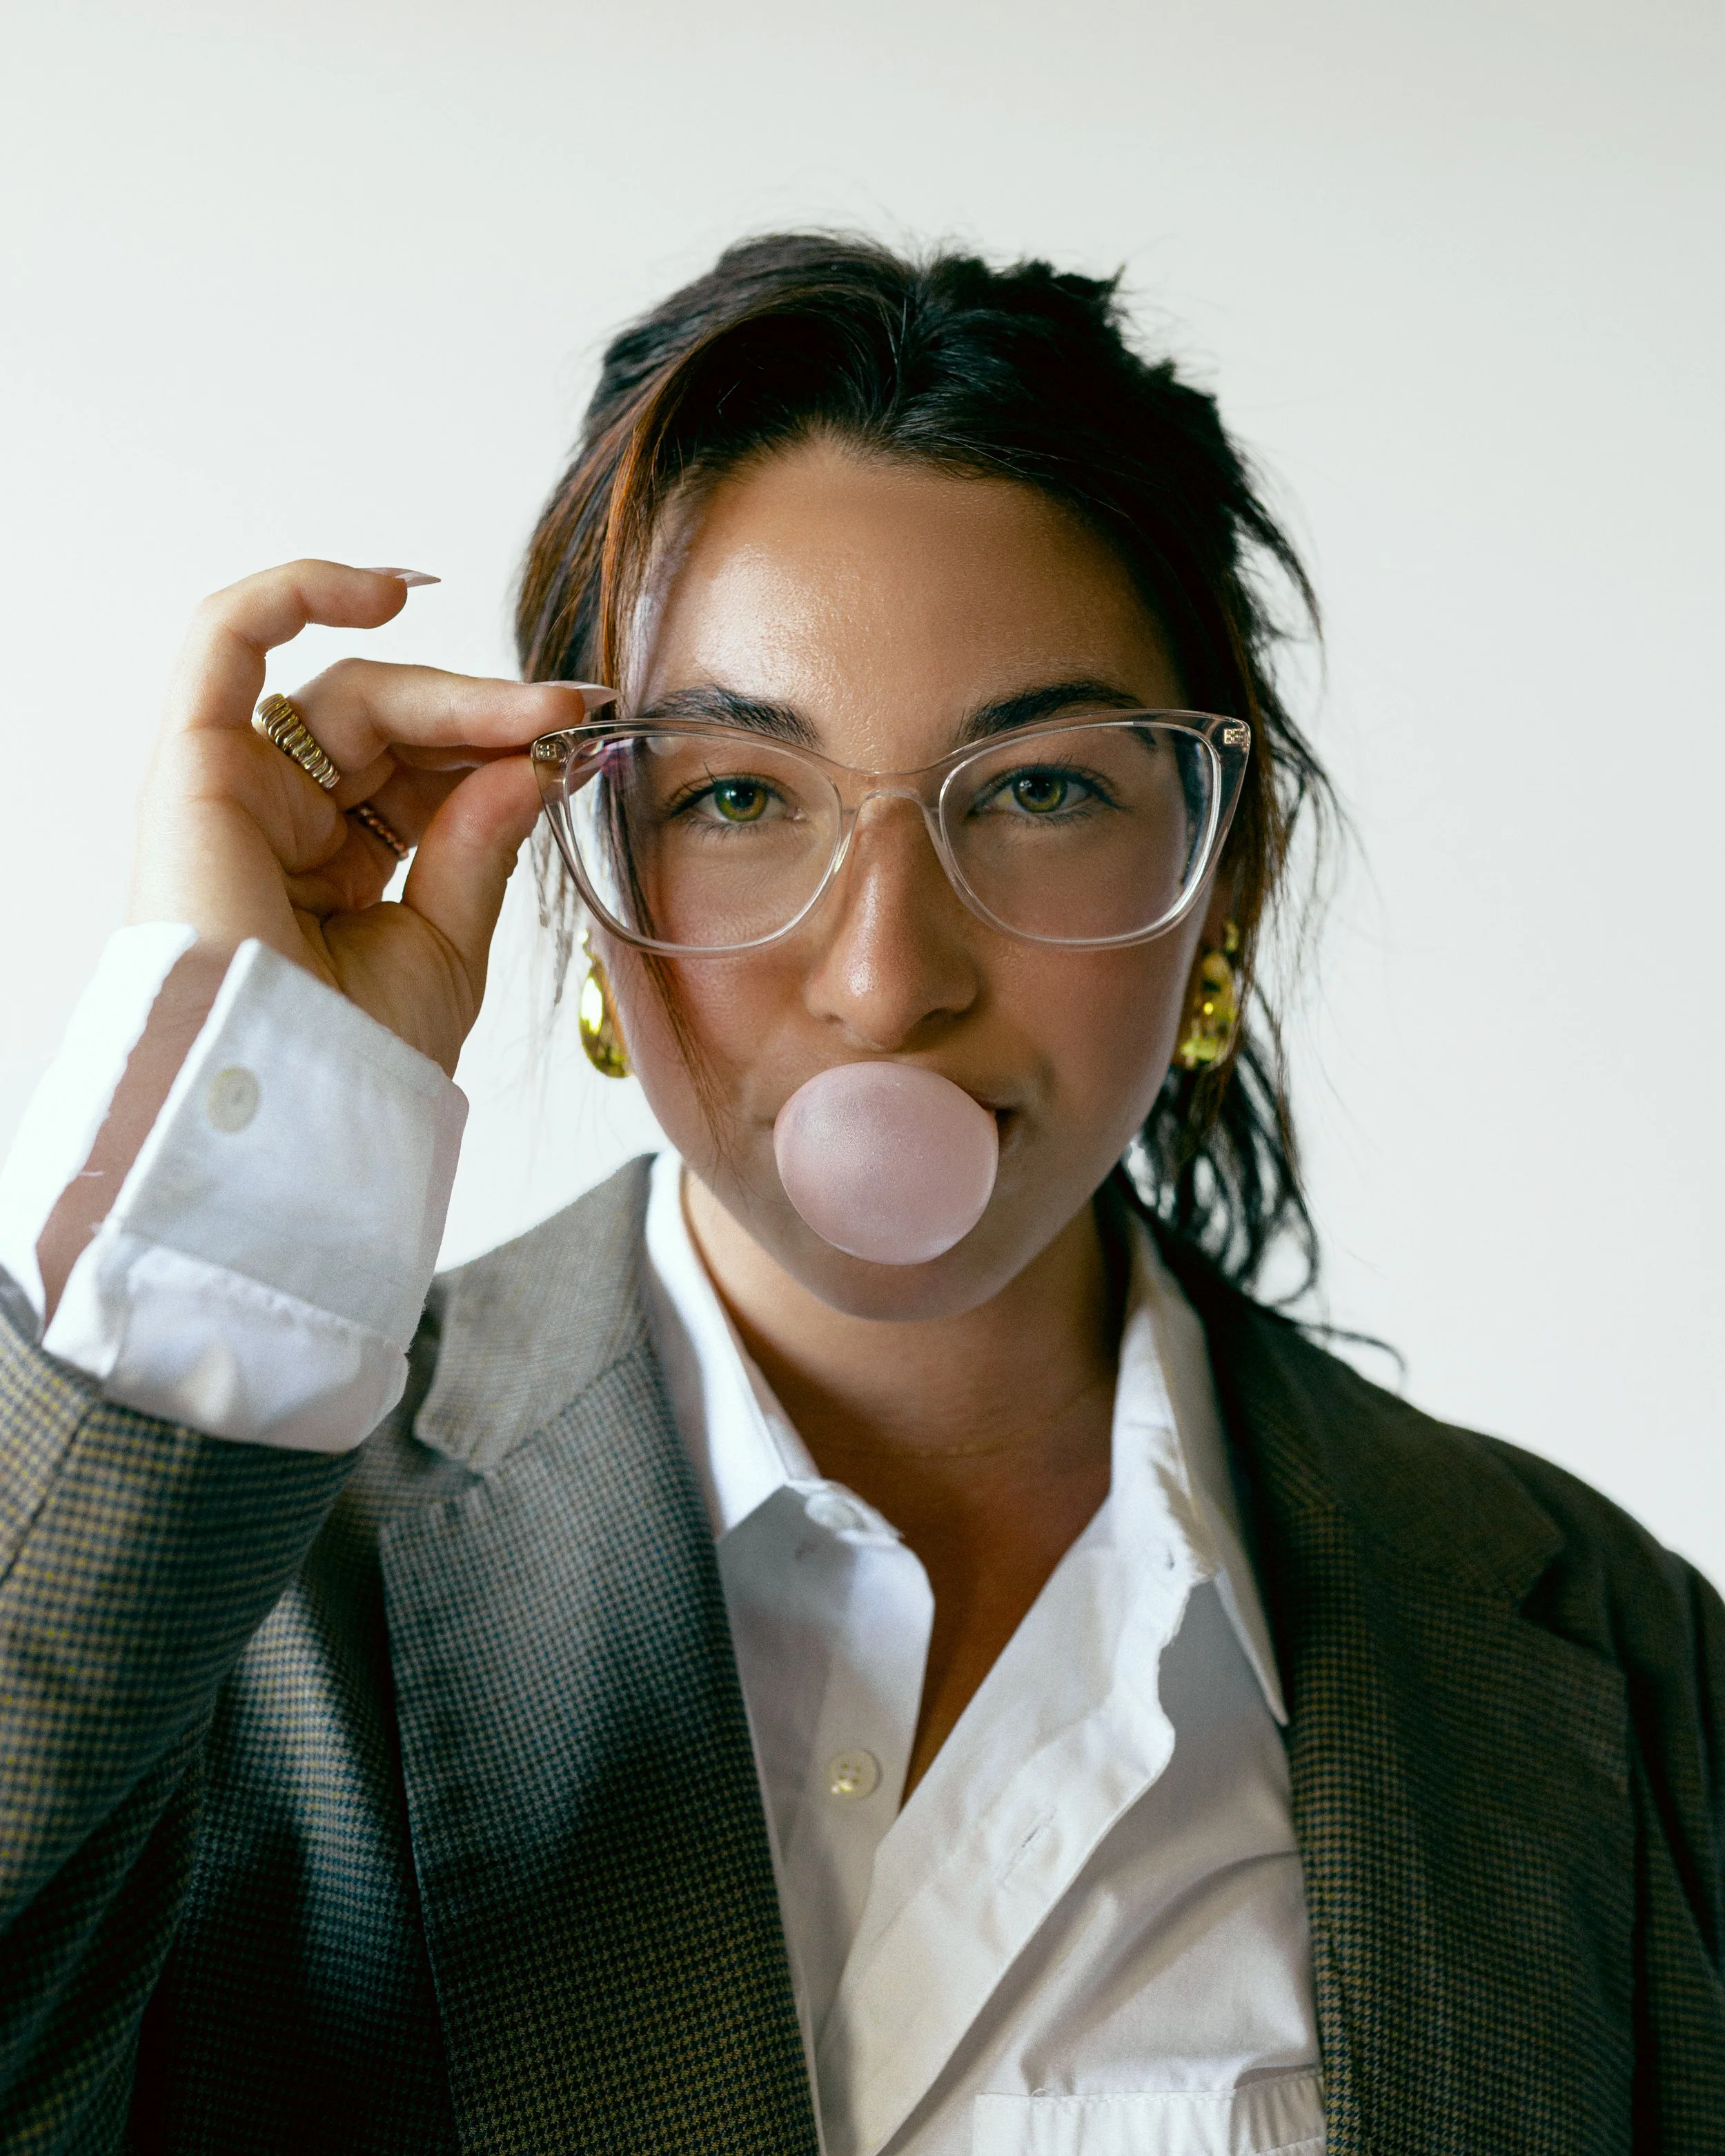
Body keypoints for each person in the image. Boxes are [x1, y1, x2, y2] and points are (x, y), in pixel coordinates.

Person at [0, 234, 1719, 2156]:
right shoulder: (226, 1586)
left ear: (1223, 882)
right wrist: (238, 1163)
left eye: (1044, 788)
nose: (889, 976)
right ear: (586, 880)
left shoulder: (1614, 1669)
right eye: (738, 794)